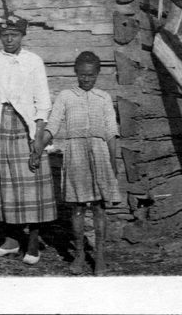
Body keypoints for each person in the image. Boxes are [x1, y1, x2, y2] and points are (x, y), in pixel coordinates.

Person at [0, 13, 57, 265]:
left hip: (26, 128)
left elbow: (43, 101)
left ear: (22, 35)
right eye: (4, 35)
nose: (9, 39)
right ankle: (11, 241)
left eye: (14, 35)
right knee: (6, 185)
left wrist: (39, 136)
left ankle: (32, 243)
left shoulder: (33, 61)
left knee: (30, 185)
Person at [32, 51, 120, 275]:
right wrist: (38, 147)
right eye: (82, 75)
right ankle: (79, 254)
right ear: (76, 73)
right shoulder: (66, 96)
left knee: (99, 207)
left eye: (90, 75)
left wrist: (113, 160)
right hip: (76, 153)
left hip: (99, 152)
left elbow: (111, 131)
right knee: (78, 207)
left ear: (97, 74)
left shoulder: (104, 97)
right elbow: (52, 126)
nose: (86, 79)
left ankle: (99, 256)